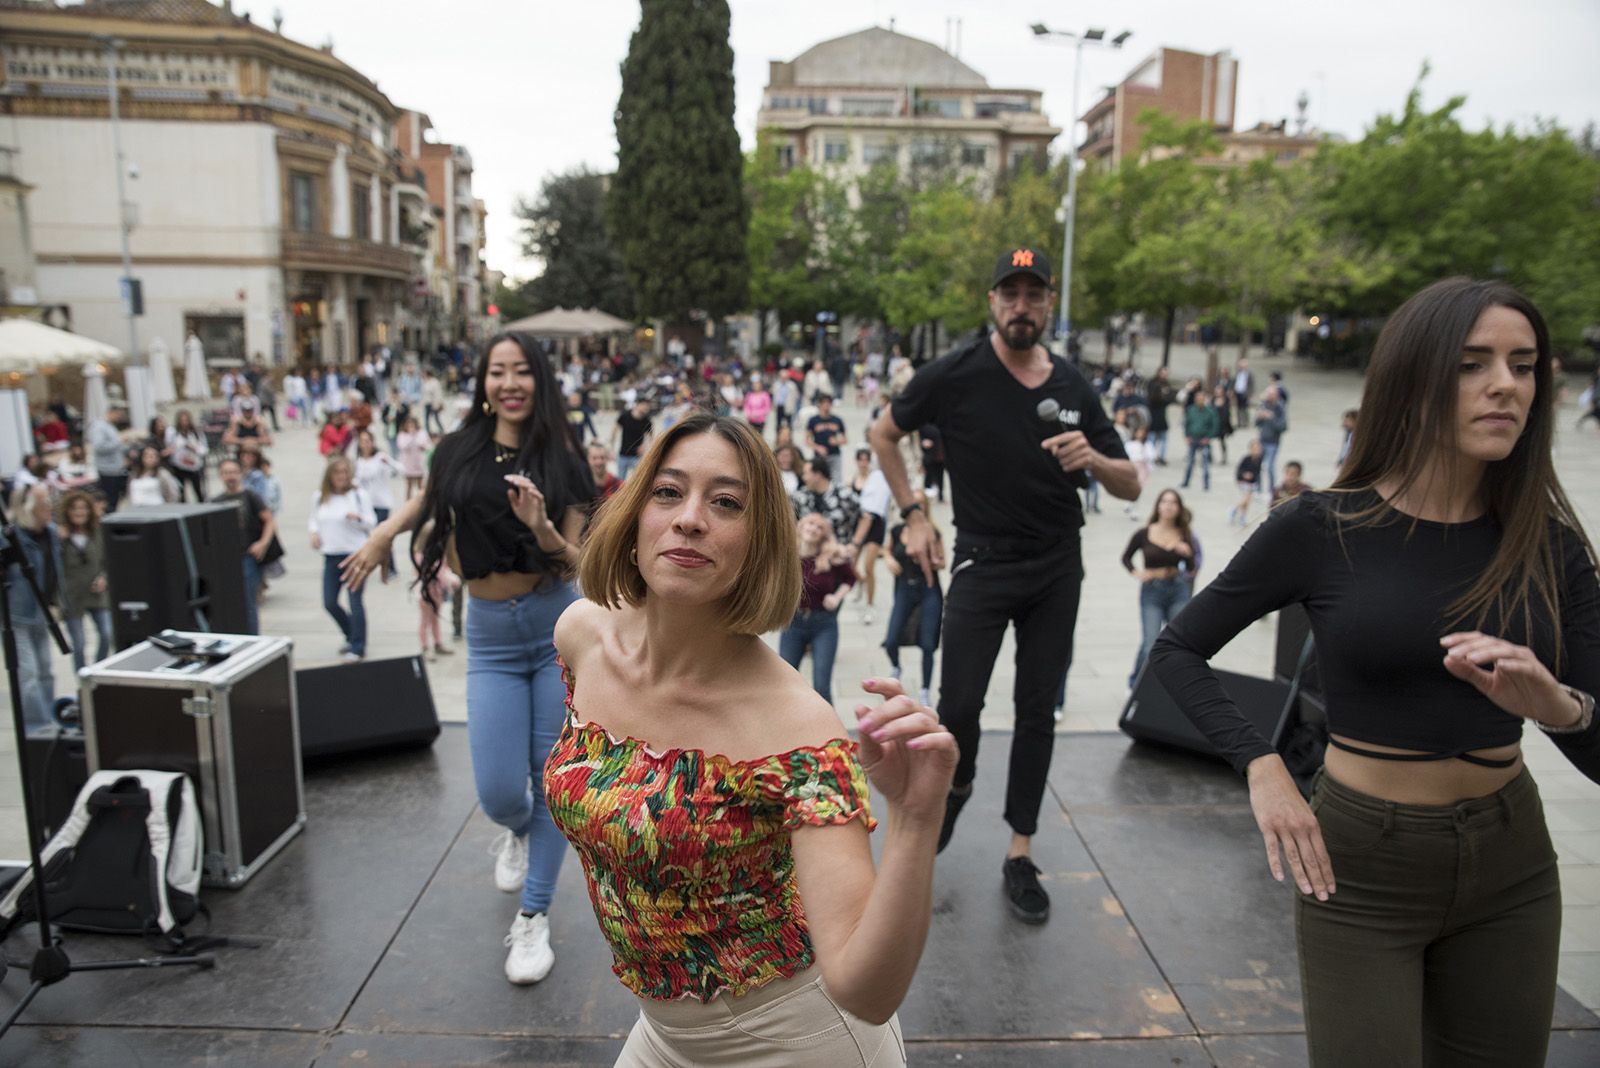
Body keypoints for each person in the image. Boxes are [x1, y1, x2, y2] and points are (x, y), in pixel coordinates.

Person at [1150, 277, 1600, 1067]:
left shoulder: (1550, 544)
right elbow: (1177, 652)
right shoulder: (1322, 526)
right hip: (1359, 865)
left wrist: (1560, 708)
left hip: (1511, 862)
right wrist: (1260, 766)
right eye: (1473, 363)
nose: (1505, 385)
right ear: (1414, 377)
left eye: (1524, 365)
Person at [549, 411, 955, 1065]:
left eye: (726, 503)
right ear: (633, 514)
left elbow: (866, 990)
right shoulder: (581, 635)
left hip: (798, 1040)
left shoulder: (798, 729)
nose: (690, 518)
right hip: (662, 1033)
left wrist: (915, 820)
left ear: (758, 543)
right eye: (669, 491)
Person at [868, 245, 1138, 924]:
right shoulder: (955, 373)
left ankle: (1020, 849)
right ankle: (951, 800)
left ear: (1049, 303)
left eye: (1034, 294)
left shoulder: (1074, 385)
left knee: (1036, 707)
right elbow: (882, 434)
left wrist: (1096, 459)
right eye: (1010, 294)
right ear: (991, 302)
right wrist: (913, 515)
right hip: (983, 561)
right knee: (958, 707)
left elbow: (1132, 481)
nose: (1022, 306)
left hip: (1056, 564)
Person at [340, 332, 591, 984]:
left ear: (539, 378)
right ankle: (515, 830)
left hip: (551, 627)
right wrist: (382, 533)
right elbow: (427, 500)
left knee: (553, 784)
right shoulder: (458, 449)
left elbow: (582, 558)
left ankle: (533, 918)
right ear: (483, 380)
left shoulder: (564, 457)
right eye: (496, 371)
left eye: (520, 371)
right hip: (489, 637)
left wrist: (540, 527)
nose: (508, 382)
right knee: (502, 791)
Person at [1121, 488, 1197, 687]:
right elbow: (1126, 557)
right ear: (1158, 506)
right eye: (1164, 501)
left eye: (1173, 502)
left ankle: (1173, 685)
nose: (1169, 506)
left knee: (1178, 642)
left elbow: (1191, 568)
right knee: (1150, 643)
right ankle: (1135, 683)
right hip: (1152, 590)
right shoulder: (1145, 532)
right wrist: (1137, 573)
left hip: (1177, 588)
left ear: (1179, 508)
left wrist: (1187, 553)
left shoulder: (1184, 534)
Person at [778, 513, 857, 706]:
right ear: (802, 526)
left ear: (823, 535)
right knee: (785, 683)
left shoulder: (831, 557)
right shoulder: (787, 552)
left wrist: (836, 597)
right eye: (810, 523)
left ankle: (830, 734)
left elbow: (850, 578)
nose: (813, 528)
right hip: (793, 623)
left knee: (821, 686)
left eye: (819, 527)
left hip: (823, 624)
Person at [8, 483, 67, 735]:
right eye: (44, 503)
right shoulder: (11, 538)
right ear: (30, 508)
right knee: (28, 673)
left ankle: (48, 720)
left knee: (45, 669)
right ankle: (36, 725)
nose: (50, 507)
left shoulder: (51, 532)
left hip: (44, 611)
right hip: (18, 615)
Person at [309, 456, 376, 662]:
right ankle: (350, 632)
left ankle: (358, 645)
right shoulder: (320, 496)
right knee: (329, 601)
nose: (341, 477)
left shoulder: (358, 495)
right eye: (337, 473)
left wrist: (357, 519)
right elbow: (314, 519)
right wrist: (314, 533)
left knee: (355, 600)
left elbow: (371, 521)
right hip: (331, 554)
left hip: (354, 554)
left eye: (344, 473)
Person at [882, 502, 944, 708]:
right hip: (904, 588)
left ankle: (925, 689)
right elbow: (887, 549)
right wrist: (889, 559)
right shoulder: (898, 530)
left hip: (928, 589)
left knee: (928, 643)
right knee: (891, 639)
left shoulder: (932, 532)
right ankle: (896, 667)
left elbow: (942, 561)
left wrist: (929, 560)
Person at [215, 458, 276, 634]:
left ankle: (253, 638)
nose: (230, 477)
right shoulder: (216, 501)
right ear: (221, 476)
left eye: (233, 472)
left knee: (248, 602)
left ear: (240, 474)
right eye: (226, 473)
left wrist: (263, 543)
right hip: (226, 558)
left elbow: (269, 520)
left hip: (248, 556)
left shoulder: (250, 496)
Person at [57, 490, 111, 673]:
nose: (79, 512)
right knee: (78, 644)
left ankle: (97, 670)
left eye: (83, 508)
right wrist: (57, 540)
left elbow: (107, 560)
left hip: (97, 593)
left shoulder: (97, 531)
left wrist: (104, 578)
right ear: (67, 511)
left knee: (106, 634)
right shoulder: (59, 536)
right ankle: (82, 677)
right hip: (72, 595)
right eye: (74, 508)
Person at [848, 447, 891, 624]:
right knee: (850, 565)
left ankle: (870, 604)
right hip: (857, 525)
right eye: (861, 460)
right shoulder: (852, 480)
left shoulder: (877, 480)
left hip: (874, 526)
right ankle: (860, 583)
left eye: (866, 460)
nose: (863, 463)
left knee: (868, 566)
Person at [354, 431, 401, 581]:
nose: (365, 444)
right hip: (365, 505)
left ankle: (390, 567)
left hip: (381, 503)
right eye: (362, 441)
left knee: (382, 536)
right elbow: (356, 481)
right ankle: (367, 564)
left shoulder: (379, 458)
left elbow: (401, 470)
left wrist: (389, 462)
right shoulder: (358, 461)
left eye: (368, 440)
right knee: (369, 537)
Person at [789, 456, 859, 546]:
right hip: (808, 555)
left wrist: (855, 544)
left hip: (839, 553)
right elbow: (791, 521)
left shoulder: (844, 494)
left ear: (817, 475)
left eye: (806, 474)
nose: (803, 478)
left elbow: (865, 516)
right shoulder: (799, 496)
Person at [87, 402, 130, 510]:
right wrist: (119, 442)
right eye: (119, 414)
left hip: (115, 469)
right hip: (106, 470)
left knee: (115, 499)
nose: (120, 417)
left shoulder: (110, 426)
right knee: (109, 500)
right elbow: (99, 447)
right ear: (112, 412)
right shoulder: (99, 427)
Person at [165, 409, 208, 501]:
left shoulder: (196, 433)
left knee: (198, 490)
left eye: (186, 420)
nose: (184, 423)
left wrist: (193, 447)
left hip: (194, 465)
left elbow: (204, 449)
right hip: (179, 466)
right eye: (182, 420)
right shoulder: (173, 433)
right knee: (181, 491)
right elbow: (170, 447)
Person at [1181, 390, 1220, 491]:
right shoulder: (1191, 410)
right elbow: (1186, 424)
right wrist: (1187, 436)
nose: (1200, 401)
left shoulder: (1210, 412)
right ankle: (1186, 482)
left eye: (1202, 399)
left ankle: (1206, 484)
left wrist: (1208, 437)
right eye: (1198, 399)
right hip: (1193, 439)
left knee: (1205, 463)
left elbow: (1214, 426)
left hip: (1204, 440)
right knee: (1190, 462)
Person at [806, 394, 847, 482]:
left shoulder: (837, 420)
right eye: (824, 403)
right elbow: (807, 440)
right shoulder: (813, 420)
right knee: (819, 480)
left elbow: (845, 439)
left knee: (837, 481)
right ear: (819, 405)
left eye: (829, 403)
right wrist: (818, 448)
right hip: (819, 456)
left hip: (834, 455)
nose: (826, 406)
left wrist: (837, 442)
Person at [612, 398, 653, 480]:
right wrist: (612, 449)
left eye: (647, 407)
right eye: (644, 406)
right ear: (637, 405)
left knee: (638, 481)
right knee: (620, 482)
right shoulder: (625, 416)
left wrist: (645, 446)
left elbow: (651, 437)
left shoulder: (647, 421)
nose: (646, 408)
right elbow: (614, 431)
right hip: (623, 454)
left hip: (637, 457)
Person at [1231, 439, 1264, 527]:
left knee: (1247, 502)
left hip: (1252, 483)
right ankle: (1234, 509)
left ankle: (1242, 516)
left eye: (1259, 448)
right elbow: (1239, 470)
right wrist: (1243, 475)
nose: (1257, 451)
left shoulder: (1259, 459)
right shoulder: (1246, 459)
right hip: (1243, 482)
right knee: (1246, 498)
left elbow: (1258, 473)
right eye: (1255, 449)